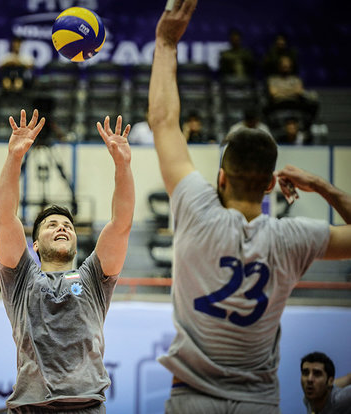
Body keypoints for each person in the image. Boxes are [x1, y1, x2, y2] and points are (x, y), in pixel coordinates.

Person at [147, 1, 351, 412]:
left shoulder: (194, 205)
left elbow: (164, 121)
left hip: (192, 398)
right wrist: (324, 188)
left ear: (220, 178)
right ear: (271, 186)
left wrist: (166, 42)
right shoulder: (295, 237)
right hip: (257, 401)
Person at [0, 109, 134, 412]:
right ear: (34, 244)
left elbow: (121, 223)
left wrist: (123, 165)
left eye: (67, 226)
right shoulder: (21, 279)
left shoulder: (93, 278)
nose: (62, 227)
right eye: (52, 225)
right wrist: (14, 157)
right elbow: (5, 218)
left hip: (86, 407)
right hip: (31, 408)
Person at [265, 55, 319, 127]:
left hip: (295, 103)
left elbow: (298, 92)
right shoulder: (273, 79)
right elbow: (273, 93)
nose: (286, 69)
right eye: (284, 66)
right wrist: (291, 91)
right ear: (279, 67)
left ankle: (307, 127)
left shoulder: (296, 79)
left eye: (288, 67)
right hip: (278, 103)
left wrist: (280, 91)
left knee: (313, 104)